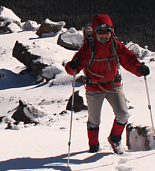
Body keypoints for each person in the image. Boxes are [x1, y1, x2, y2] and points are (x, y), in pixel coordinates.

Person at [64, 14, 149, 153]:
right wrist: (73, 66)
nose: (104, 35)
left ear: (112, 31)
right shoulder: (89, 48)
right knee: (94, 121)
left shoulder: (116, 45)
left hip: (113, 85)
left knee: (123, 114)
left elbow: (129, 60)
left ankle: (115, 139)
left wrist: (140, 69)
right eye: (100, 32)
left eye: (107, 32)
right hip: (94, 88)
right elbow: (72, 69)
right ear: (95, 32)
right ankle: (93, 145)